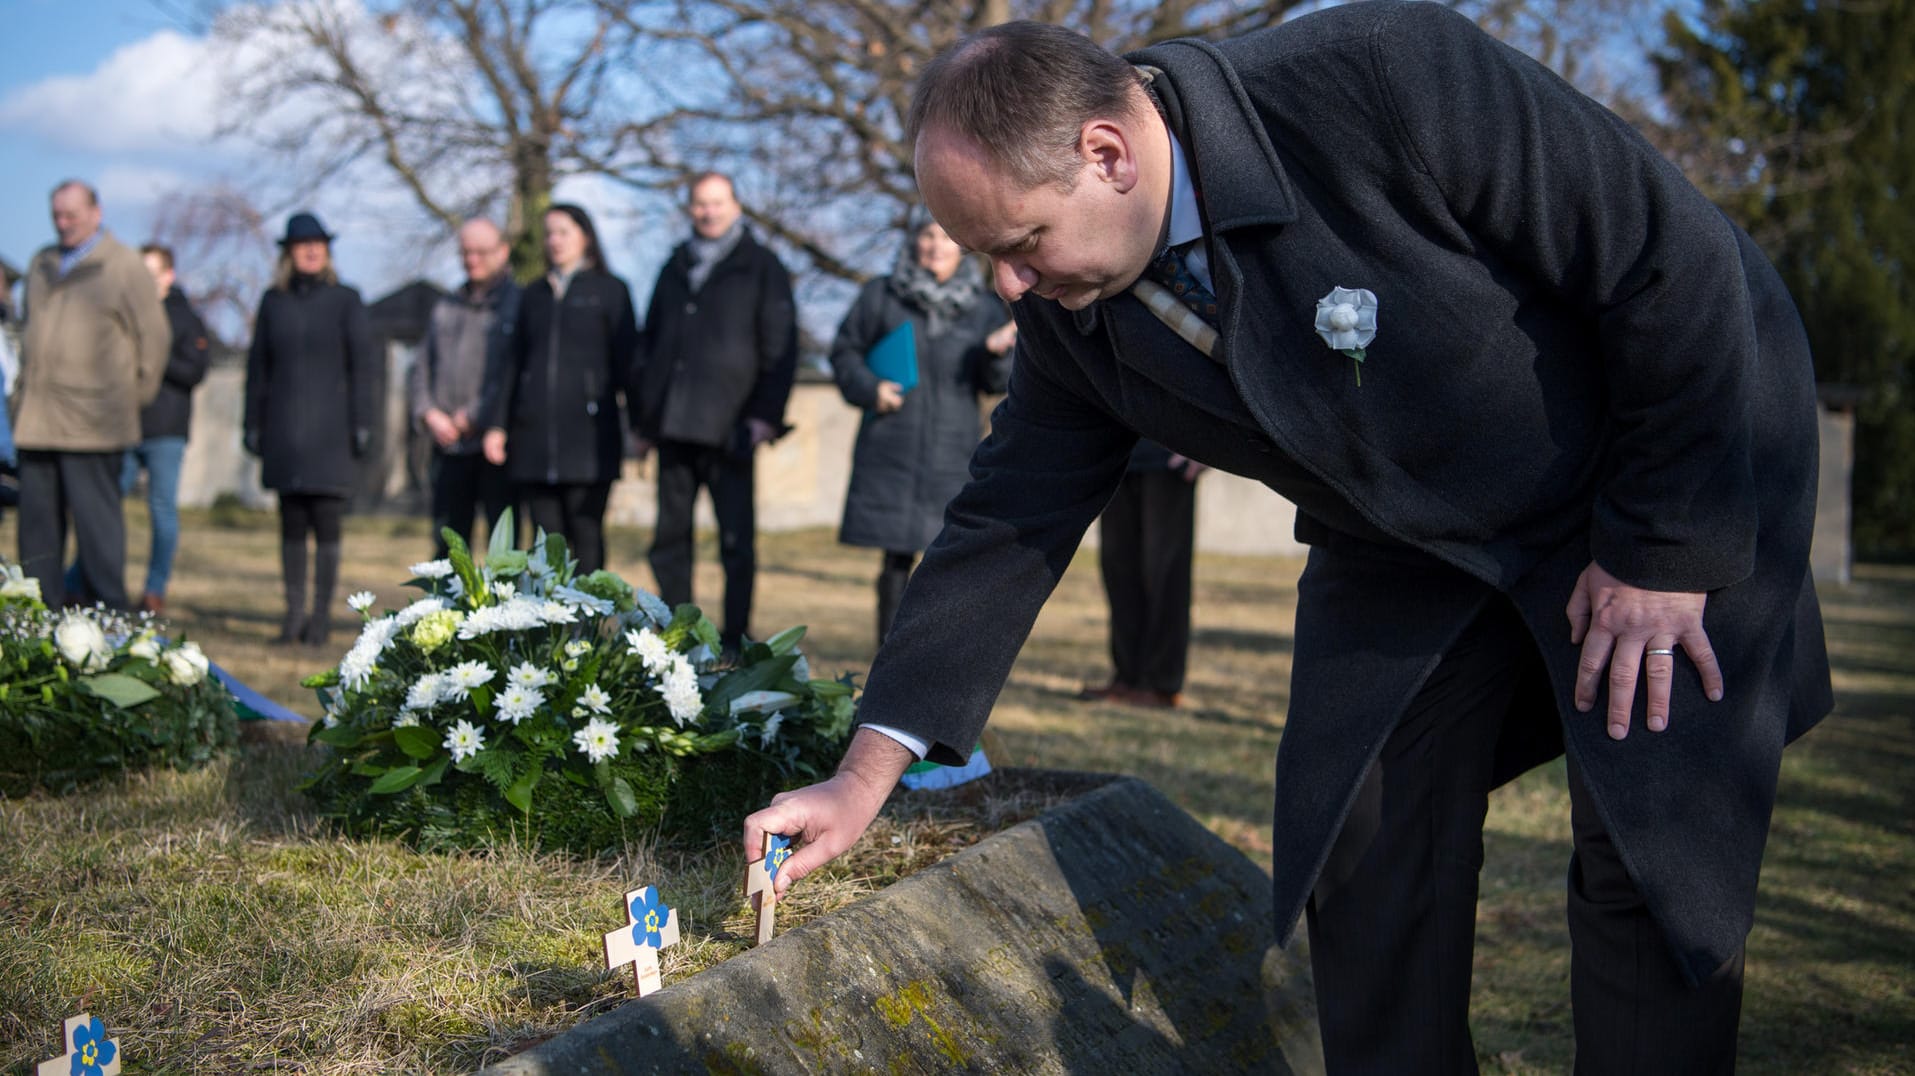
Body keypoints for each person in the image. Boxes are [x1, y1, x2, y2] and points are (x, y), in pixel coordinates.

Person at [745, 10, 1833, 1074]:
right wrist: (864, 772)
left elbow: (1667, 260)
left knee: (1647, 855)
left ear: (1107, 153)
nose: (1008, 286)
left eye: (1021, 242)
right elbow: (1007, 516)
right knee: (1358, 842)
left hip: (1659, 470)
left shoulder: (1384, 80)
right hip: (1402, 540)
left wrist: (1663, 551)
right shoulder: (1073, 312)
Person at [829, 211, 1016, 647]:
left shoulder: (985, 306)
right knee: (895, 559)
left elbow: (996, 383)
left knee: (946, 558)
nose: (935, 246)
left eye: (946, 237)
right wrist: (870, 388)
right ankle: (887, 654)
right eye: (927, 237)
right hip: (892, 447)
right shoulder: (881, 295)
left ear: (961, 246)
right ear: (914, 242)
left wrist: (994, 353)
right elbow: (844, 353)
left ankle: (931, 655)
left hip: (952, 453)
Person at [630, 172, 798, 650]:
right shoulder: (674, 264)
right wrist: (644, 419)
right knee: (670, 538)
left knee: (735, 542)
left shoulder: (762, 266)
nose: (708, 212)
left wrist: (765, 414)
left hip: (732, 425)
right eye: (700, 204)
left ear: (736, 207)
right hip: (673, 425)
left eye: (717, 203)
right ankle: (677, 633)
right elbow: (651, 342)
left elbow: (780, 346)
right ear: (690, 209)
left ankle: (735, 638)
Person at [12, 180, 169, 609]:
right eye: (56, 216)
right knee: (36, 540)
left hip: (95, 425)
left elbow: (154, 339)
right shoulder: (42, 263)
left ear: (96, 213)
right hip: (37, 422)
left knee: (99, 536)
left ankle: (109, 623)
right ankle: (38, 624)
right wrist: (19, 397)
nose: (63, 224)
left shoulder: (123, 266)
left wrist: (128, 399)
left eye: (72, 216)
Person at [244, 212, 377, 648]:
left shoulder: (346, 300)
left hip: (331, 434)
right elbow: (257, 369)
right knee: (291, 524)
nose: (311, 249)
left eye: (318, 243)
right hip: (284, 431)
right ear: (289, 252)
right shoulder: (272, 303)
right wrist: (252, 423)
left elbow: (365, 369)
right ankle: (292, 615)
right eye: (303, 244)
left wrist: (363, 423)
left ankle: (320, 618)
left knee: (326, 523)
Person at [481, 204, 636, 574]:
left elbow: (628, 364)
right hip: (533, 438)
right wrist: (498, 425)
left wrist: (640, 425)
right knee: (545, 540)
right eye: (549, 233)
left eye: (563, 232)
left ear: (585, 236)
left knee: (586, 533)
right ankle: (548, 626)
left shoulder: (611, 291)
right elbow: (513, 365)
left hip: (590, 439)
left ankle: (587, 623)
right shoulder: (531, 295)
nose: (555, 241)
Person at [412, 219, 521, 558]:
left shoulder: (519, 304)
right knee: (446, 546)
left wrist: (474, 415)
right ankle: (446, 611)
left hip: (495, 446)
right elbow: (420, 366)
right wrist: (429, 413)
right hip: (446, 446)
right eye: (465, 252)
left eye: (481, 252)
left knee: (502, 550)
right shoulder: (446, 305)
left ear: (503, 252)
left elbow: (512, 373)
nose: (472, 259)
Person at [1078, 441, 1204, 709]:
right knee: (1118, 569)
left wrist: (1207, 446)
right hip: (1119, 452)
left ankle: (1161, 685)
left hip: (1171, 453)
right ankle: (1127, 676)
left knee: (1164, 572)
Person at [121, 244, 212, 614]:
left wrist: (152, 360)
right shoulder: (125, 313)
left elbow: (194, 370)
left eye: (151, 272)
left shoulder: (186, 318)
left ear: (168, 276)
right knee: (102, 504)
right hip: (123, 426)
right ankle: (82, 579)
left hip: (166, 430)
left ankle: (154, 590)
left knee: (161, 509)